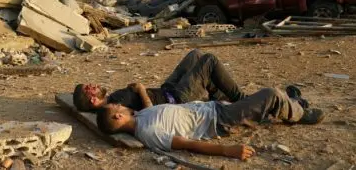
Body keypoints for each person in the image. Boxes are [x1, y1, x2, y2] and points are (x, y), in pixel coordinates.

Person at [96, 87, 325, 160]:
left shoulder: (141, 117)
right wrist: (228, 151)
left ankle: (293, 102)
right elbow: (187, 144)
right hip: (219, 120)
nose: (120, 105)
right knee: (271, 94)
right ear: (117, 117)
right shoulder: (148, 132)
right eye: (117, 108)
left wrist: (141, 91)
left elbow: (150, 109)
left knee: (265, 104)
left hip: (215, 108)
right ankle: (299, 113)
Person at [73, 49, 308, 112]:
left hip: (168, 90)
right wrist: (142, 90)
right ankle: (241, 100)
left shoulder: (114, 98)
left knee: (194, 55)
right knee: (209, 60)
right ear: (93, 100)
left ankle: (221, 95)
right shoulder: (115, 106)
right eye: (89, 89)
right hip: (177, 99)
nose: (93, 84)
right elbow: (148, 114)